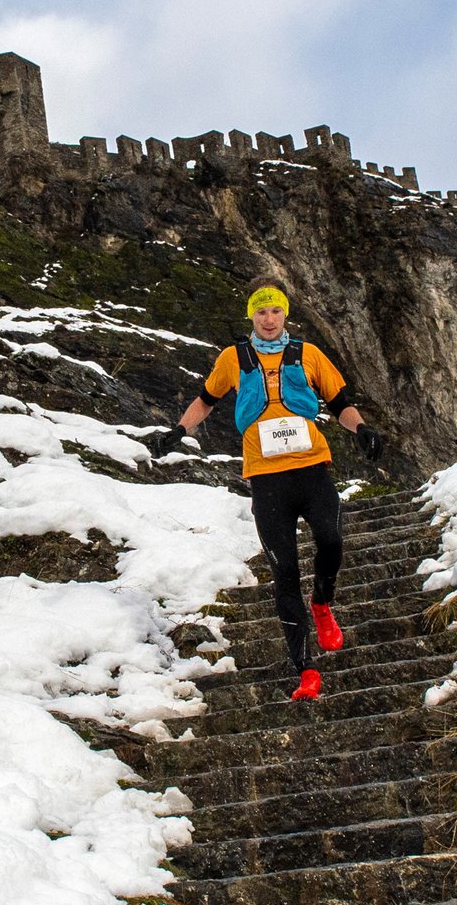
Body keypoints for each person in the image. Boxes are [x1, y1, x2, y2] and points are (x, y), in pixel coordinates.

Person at [147, 285, 384, 700]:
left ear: (285, 315)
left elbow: (339, 400)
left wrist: (361, 429)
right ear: (251, 318)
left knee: (331, 541)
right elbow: (206, 400)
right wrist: (178, 431)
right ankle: (306, 671)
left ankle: (323, 603)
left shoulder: (308, 354)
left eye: (276, 311)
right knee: (285, 573)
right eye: (262, 313)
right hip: (267, 479)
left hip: (312, 468)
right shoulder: (233, 359)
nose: (269, 319)